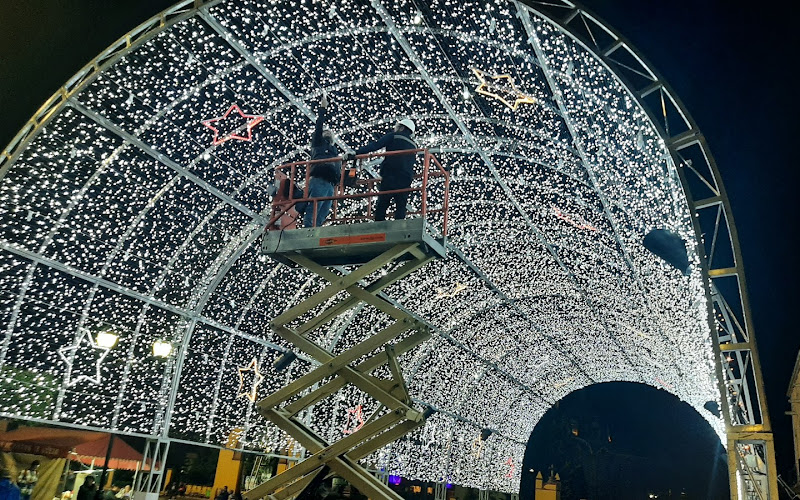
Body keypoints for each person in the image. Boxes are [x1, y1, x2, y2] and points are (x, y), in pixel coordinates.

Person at [346, 119, 417, 221]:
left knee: (382, 204)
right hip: (406, 178)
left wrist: (356, 153)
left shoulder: (394, 136)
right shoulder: (414, 145)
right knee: (401, 206)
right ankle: (399, 226)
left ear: (402, 127)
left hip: (391, 175)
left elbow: (375, 146)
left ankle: (379, 225)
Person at [303, 94, 341, 228]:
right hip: (319, 179)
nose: (328, 132)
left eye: (330, 132)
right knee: (314, 208)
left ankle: (314, 230)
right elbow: (319, 126)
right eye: (326, 132)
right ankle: (308, 230)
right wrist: (322, 109)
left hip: (330, 184)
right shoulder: (318, 144)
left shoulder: (334, 150)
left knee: (323, 212)